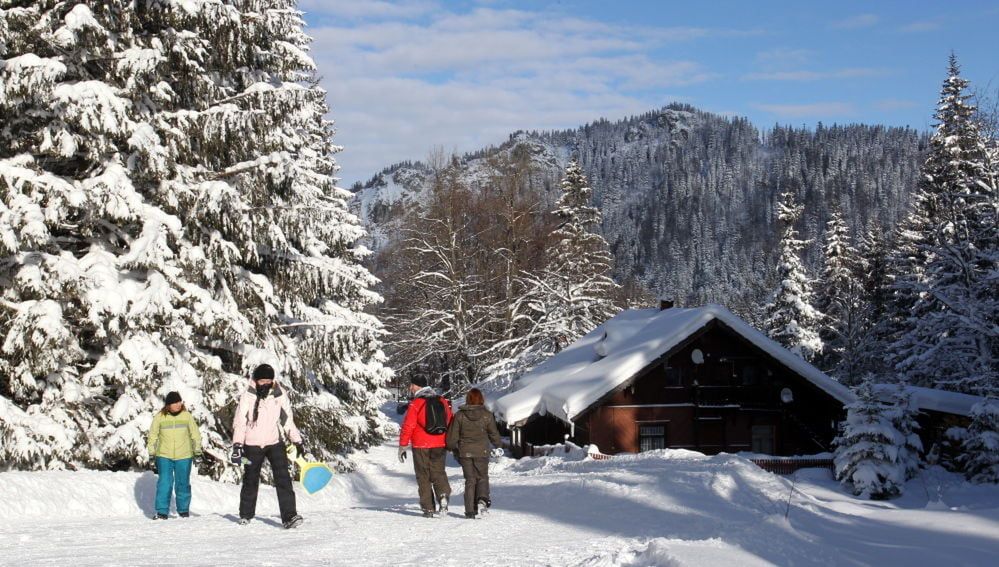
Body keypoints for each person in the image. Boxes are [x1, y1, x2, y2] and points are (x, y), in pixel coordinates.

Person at [230, 363, 305, 529]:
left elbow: (287, 420)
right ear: (256, 381)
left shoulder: (279, 394)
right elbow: (240, 422)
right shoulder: (248, 396)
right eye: (262, 381)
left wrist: (296, 440)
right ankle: (246, 514)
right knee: (250, 479)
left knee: (283, 478)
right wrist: (237, 446)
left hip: (274, 442)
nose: (265, 384)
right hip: (252, 444)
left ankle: (289, 516)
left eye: (268, 381)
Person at [398, 376, 453, 518]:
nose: (410, 388)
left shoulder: (416, 403)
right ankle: (443, 495)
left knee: (423, 475)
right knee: (438, 471)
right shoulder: (442, 400)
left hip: (420, 444)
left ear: (417, 386)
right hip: (440, 443)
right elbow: (449, 419)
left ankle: (428, 508)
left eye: (412, 385)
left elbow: (408, 425)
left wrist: (403, 445)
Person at [446, 388, 502, 519]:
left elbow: (452, 436)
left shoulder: (460, 415)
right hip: (482, 452)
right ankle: (482, 500)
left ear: (468, 399)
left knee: (470, 480)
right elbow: (493, 433)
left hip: (465, 453)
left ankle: (470, 511)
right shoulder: (487, 415)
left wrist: (451, 447)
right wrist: (498, 445)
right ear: (481, 399)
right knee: (482, 477)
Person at [146, 391, 202, 520]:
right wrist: (151, 454)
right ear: (168, 405)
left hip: (184, 455)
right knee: (164, 483)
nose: (178, 404)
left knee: (183, 483)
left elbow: (195, 435)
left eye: (179, 401)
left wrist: (197, 452)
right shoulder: (160, 417)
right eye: (175, 402)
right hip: (164, 455)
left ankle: (183, 510)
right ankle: (161, 512)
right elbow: (153, 436)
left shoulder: (186, 416)